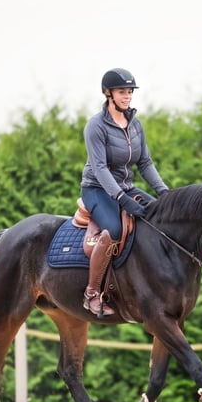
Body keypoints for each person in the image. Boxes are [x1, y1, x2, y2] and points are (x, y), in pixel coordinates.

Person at [80, 67, 170, 317]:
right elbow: (99, 168)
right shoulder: (95, 126)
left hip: (126, 187)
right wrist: (122, 199)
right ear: (108, 93)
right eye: (122, 91)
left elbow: (145, 163)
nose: (127, 96)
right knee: (115, 230)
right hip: (97, 189)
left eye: (130, 91)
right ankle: (91, 293)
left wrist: (164, 193)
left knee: (158, 218)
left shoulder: (135, 124)